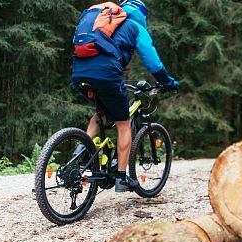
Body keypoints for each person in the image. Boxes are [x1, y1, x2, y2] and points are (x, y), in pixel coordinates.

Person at [72, 0, 179, 193]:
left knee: (102, 114)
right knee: (123, 123)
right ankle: (122, 177)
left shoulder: (102, 22)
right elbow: (153, 63)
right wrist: (168, 82)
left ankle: (80, 153)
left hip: (79, 71)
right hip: (105, 72)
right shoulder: (135, 27)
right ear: (142, 15)